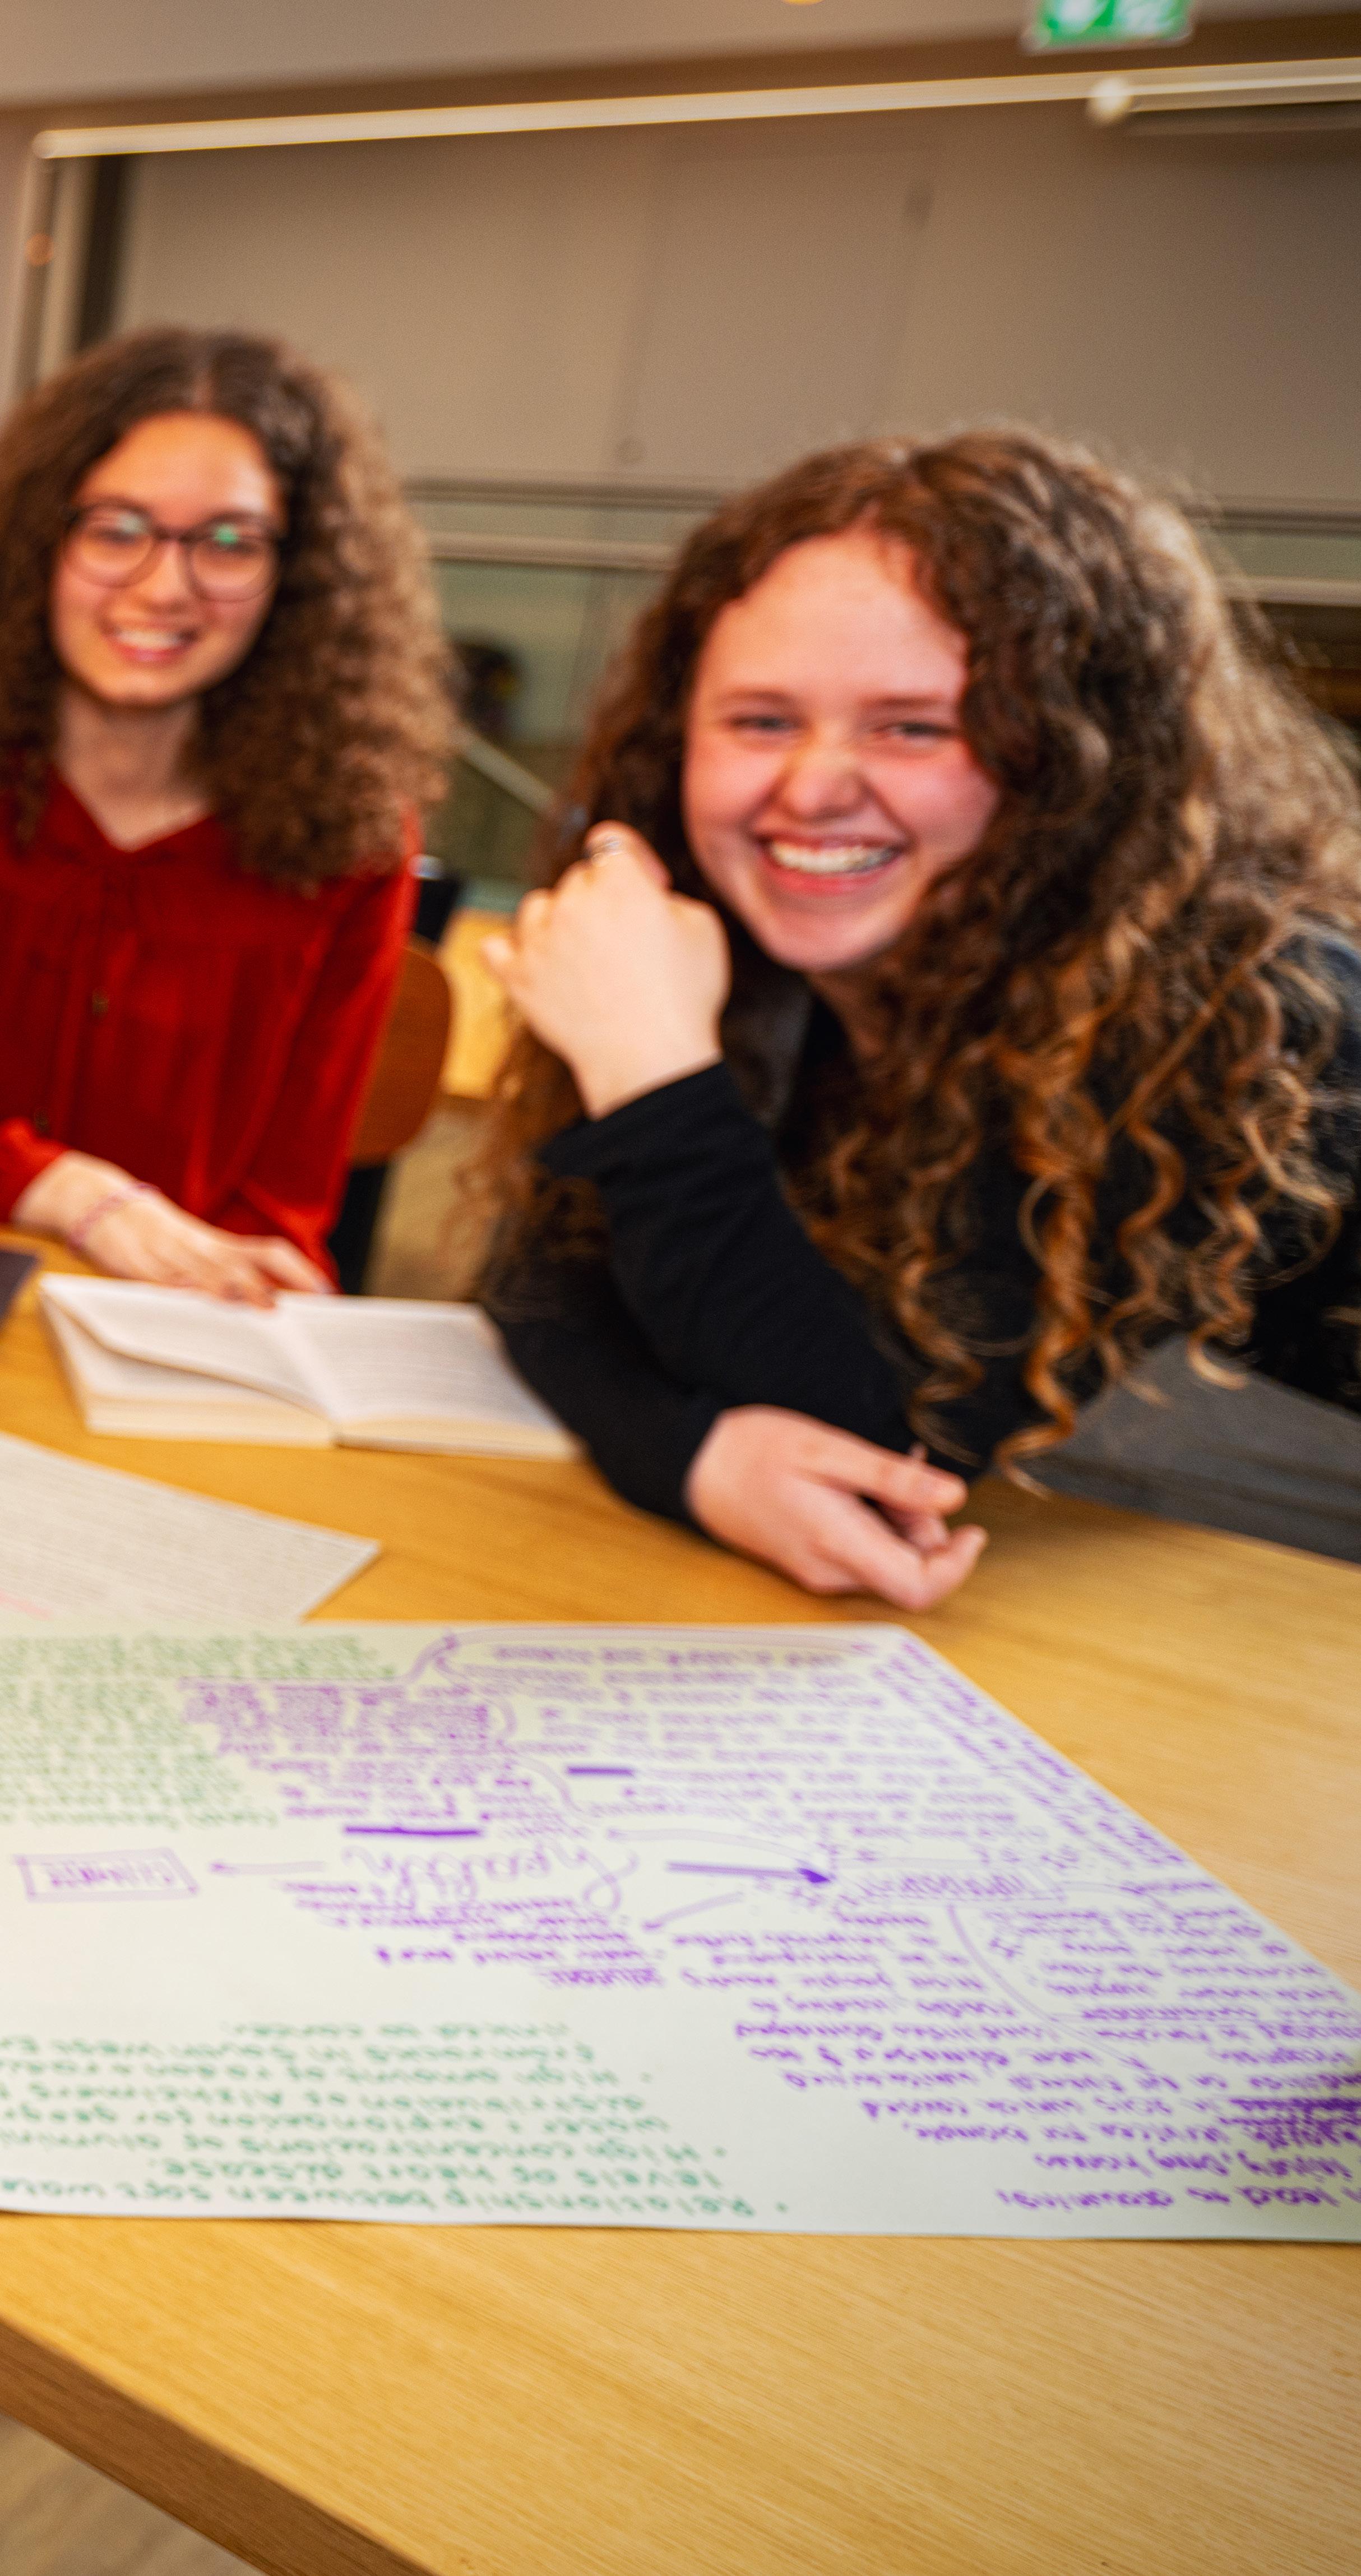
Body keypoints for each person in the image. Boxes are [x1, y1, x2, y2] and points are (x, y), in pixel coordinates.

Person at [474, 432, 1361, 1607]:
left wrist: (651, 1075)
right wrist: (694, 1457)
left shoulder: (1241, 1008)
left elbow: (887, 1458)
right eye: (759, 721)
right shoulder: (754, 958)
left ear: (1079, 762)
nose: (812, 788)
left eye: (914, 727)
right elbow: (539, 1283)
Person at [0, 327, 450, 1301]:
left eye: (230, 544)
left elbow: (281, 1209)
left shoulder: (350, 840)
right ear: (41, 541)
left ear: (299, 579)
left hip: (158, 1327)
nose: (165, 587)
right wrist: (59, 1188)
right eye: (115, 529)